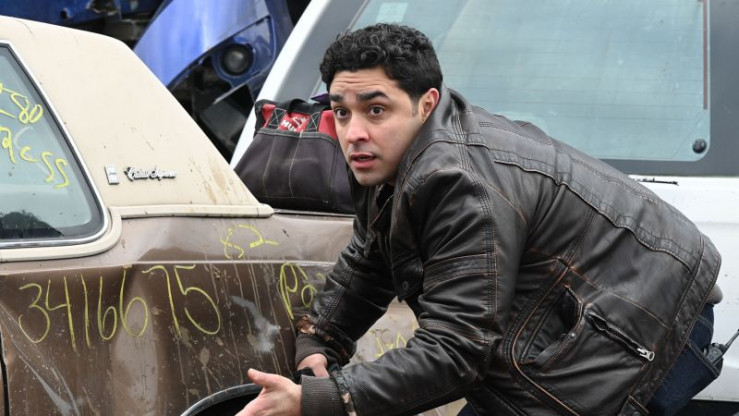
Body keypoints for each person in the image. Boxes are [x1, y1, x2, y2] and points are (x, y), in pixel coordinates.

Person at [236, 23, 723, 416]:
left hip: (647, 317)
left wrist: (323, 400)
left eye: (376, 109)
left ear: (426, 103)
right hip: (582, 312)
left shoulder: (458, 182)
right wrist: (320, 341)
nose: (354, 132)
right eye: (342, 112)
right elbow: (370, 259)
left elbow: (455, 351)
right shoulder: (385, 157)